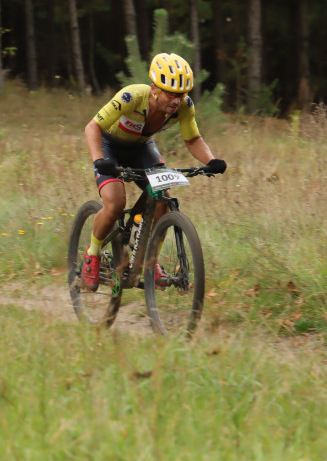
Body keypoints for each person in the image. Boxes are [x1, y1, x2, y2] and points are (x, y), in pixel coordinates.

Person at [81, 52, 227, 291]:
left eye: (181, 94)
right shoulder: (131, 97)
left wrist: (211, 161)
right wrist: (99, 160)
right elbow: (93, 126)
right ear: (154, 89)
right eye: (171, 93)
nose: (176, 100)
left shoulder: (184, 107)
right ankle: (93, 253)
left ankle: (148, 259)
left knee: (162, 198)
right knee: (116, 203)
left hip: (141, 147)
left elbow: (193, 139)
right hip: (110, 147)